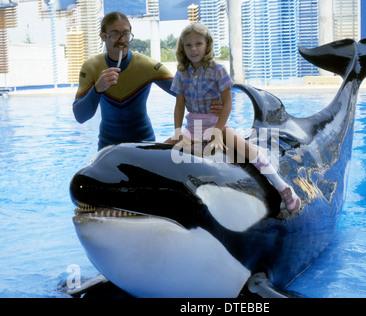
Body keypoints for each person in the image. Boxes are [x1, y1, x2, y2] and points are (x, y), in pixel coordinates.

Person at [166, 22, 301, 214]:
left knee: (247, 149)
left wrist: (218, 132)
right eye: (188, 45)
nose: (193, 49)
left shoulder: (218, 70)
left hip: (216, 124)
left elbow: (227, 103)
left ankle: (283, 187)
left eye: (198, 43)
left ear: (207, 45)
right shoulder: (181, 73)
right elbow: (179, 105)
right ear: (182, 47)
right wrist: (178, 131)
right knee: (164, 149)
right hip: (192, 127)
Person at [72, 12, 222, 150]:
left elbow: (186, 94)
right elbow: (80, 117)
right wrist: (98, 88)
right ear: (103, 37)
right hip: (107, 146)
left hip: (143, 144)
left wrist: (217, 104)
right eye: (115, 34)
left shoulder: (147, 66)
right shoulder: (91, 67)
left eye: (126, 33)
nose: (122, 40)